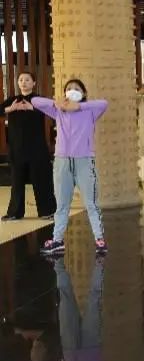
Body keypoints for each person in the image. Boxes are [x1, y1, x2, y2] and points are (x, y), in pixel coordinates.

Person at [33, 79, 108, 255]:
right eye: (68, 89)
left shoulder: (90, 111)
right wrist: (57, 103)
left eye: (76, 88)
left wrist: (79, 106)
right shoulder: (58, 111)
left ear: (83, 93)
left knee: (91, 203)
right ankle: (57, 240)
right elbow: (35, 101)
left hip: (84, 162)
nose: (72, 91)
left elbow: (104, 103)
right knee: (62, 205)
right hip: (62, 162)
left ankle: (99, 239)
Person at [0, 72, 55, 221]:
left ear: (34, 83)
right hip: (17, 148)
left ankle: (47, 211)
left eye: (27, 80)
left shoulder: (38, 99)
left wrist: (33, 108)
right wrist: (10, 109)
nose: (23, 82)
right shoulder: (12, 100)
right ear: (18, 83)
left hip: (37, 148)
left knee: (41, 180)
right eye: (21, 80)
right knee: (17, 182)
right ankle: (15, 213)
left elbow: (53, 110)